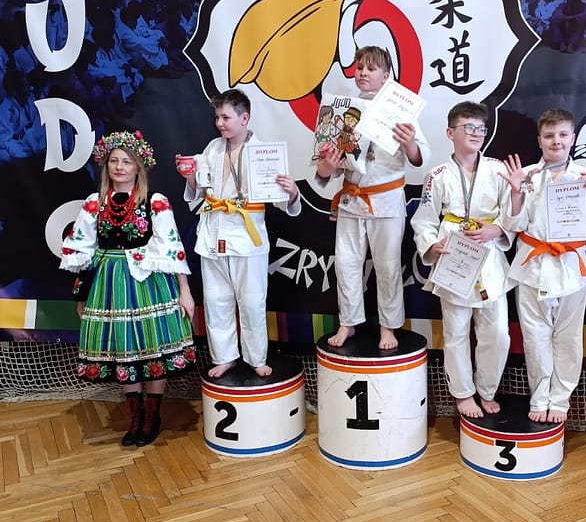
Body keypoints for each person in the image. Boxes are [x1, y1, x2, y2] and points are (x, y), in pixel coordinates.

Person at [60, 130, 196, 446]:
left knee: (152, 345)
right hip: (109, 283)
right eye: (114, 161)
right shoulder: (95, 204)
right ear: (106, 166)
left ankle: (152, 414)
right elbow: (84, 252)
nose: (119, 167)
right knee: (124, 347)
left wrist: (185, 291)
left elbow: (172, 249)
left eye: (126, 161)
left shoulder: (154, 202)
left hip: (148, 281)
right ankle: (135, 415)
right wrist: (82, 295)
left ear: (138, 167)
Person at [503, 109, 586, 424]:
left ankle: (561, 399)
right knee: (534, 337)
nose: (556, 141)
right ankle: (539, 397)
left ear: (573, 138)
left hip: (570, 267)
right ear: (539, 140)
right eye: (549, 136)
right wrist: (515, 192)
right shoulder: (526, 175)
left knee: (568, 337)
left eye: (563, 135)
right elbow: (512, 225)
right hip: (532, 265)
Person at [179, 88, 300, 378]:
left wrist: (292, 192)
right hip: (213, 232)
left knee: (252, 301)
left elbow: (283, 203)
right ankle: (224, 357)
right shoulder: (212, 148)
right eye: (217, 118)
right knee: (216, 300)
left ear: (244, 118)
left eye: (226, 117)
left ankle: (256, 357)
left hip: (246, 236)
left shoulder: (264, 153)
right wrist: (190, 178)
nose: (220, 123)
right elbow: (197, 192)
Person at [315, 45, 429, 350]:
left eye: (371, 68)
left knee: (387, 267)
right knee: (346, 264)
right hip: (352, 200)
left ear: (386, 75)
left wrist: (409, 143)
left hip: (386, 199)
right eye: (359, 68)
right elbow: (326, 172)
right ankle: (348, 322)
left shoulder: (400, 110)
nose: (363, 73)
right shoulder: (343, 111)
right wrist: (327, 163)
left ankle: (388, 326)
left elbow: (420, 157)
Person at [411, 102, 515, 419]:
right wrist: (431, 246)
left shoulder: (498, 170)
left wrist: (498, 228)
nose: (476, 133)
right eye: (468, 127)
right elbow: (424, 221)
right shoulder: (437, 176)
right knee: (456, 332)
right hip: (454, 257)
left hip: (489, 256)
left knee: (498, 333)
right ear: (450, 133)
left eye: (480, 128)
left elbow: (513, 213)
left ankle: (487, 390)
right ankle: (463, 394)